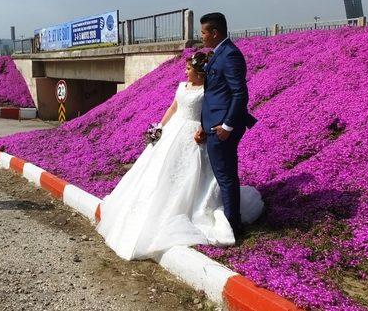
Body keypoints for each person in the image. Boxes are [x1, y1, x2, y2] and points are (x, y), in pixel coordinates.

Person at [96, 52, 263, 261]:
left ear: (199, 72)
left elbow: (209, 112)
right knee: (157, 170)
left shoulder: (208, 90)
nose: (185, 72)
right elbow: (173, 107)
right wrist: (160, 126)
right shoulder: (182, 87)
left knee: (189, 174)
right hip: (173, 130)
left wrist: (203, 129)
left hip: (193, 135)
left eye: (188, 69)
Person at [194, 13, 258, 238]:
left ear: (214, 33)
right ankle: (232, 219)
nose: (200, 36)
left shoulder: (229, 55)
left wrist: (227, 126)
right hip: (212, 124)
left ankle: (233, 225)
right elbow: (214, 94)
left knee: (226, 175)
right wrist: (203, 124)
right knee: (223, 174)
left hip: (222, 128)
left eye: (203, 32)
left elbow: (240, 94)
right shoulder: (217, 54)